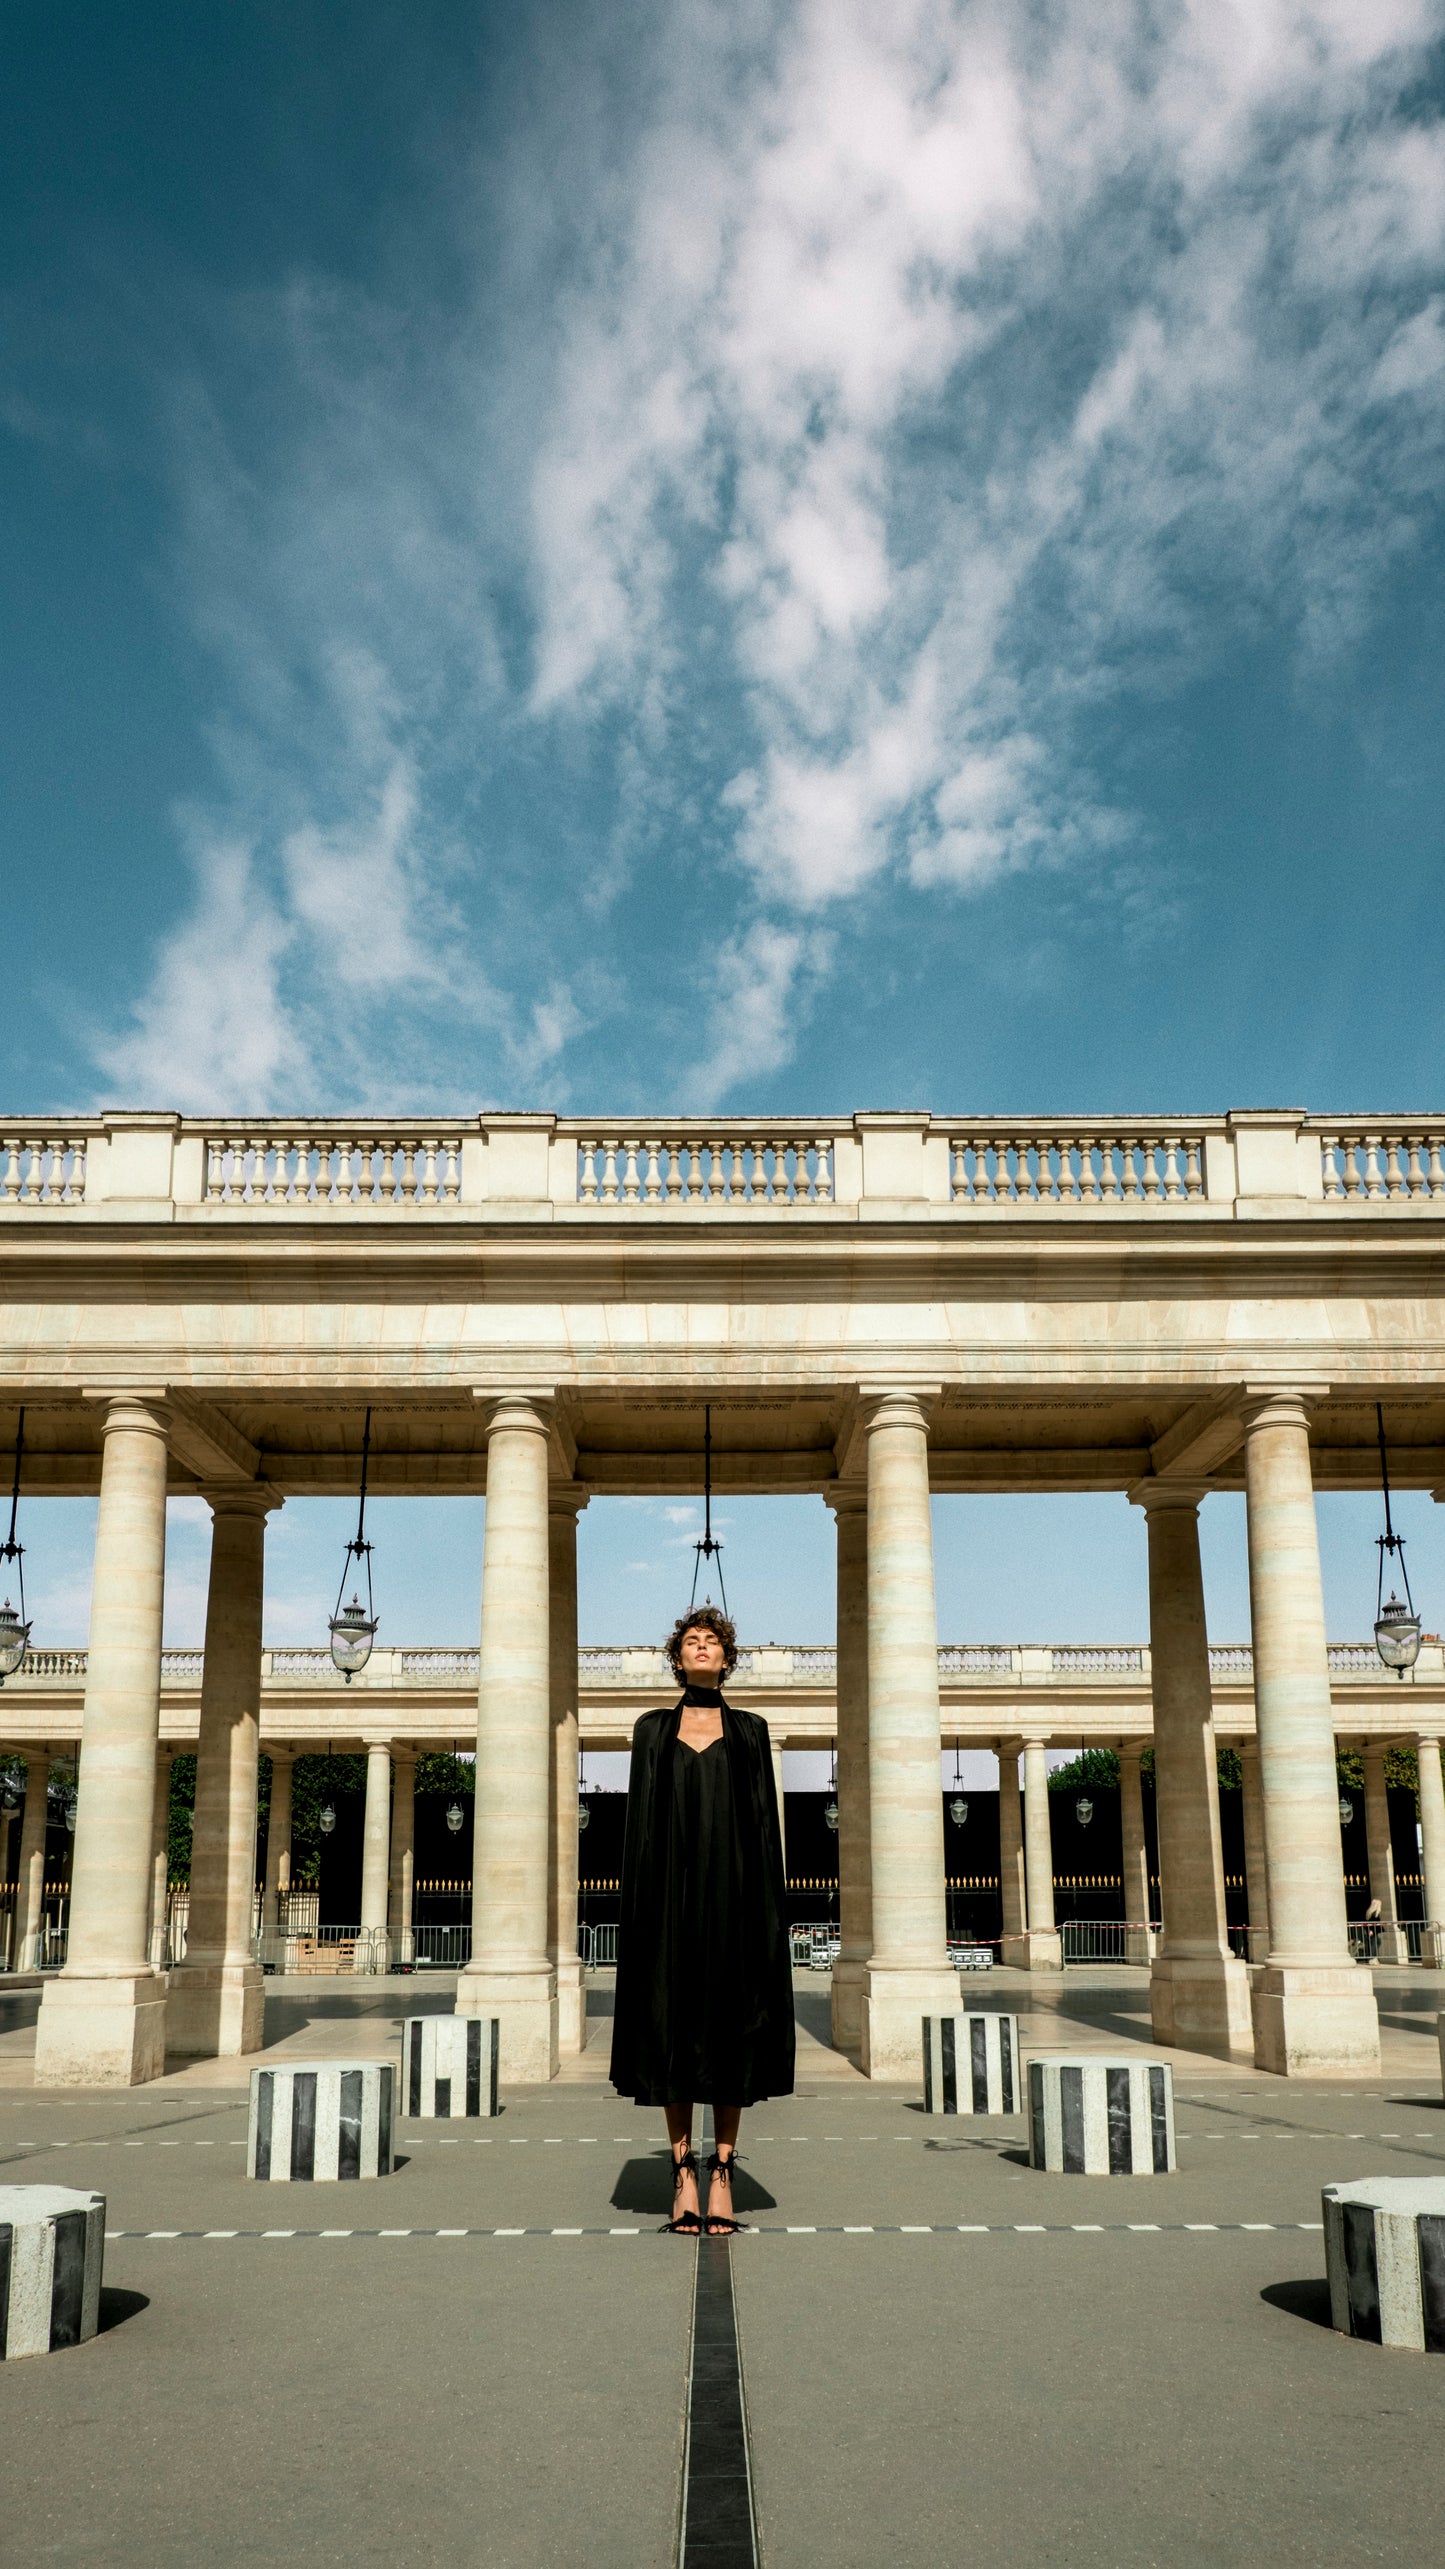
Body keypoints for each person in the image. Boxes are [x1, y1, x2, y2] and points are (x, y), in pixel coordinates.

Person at [609, 1604, 795, 2234]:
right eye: (691, 1640)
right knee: (673, 2031)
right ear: (677, 1657)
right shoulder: (651, 1729)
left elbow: (764, 1828)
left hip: (732, 1903)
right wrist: (637, 1911)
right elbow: (637, 1833)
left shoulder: (750, 1730)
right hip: (667, 1904)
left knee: (730, 2032)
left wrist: (769, 1912)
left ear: (727, 1655)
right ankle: (681, 2172)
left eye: (711, 1640)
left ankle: (723, 2174)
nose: (701, 1647)